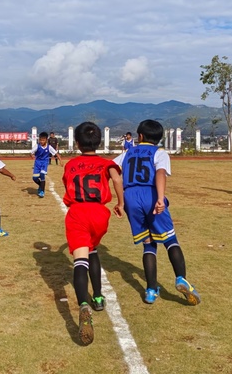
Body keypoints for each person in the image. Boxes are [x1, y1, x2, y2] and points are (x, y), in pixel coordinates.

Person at [114, 119, 200, 306]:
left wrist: (120, 201)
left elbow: (111, 170)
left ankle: (151, 291)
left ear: (140, 136)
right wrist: (160, 198)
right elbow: (160, 173)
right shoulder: (159, 153)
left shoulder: (127, 152)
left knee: (148, 244)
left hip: (131, 197)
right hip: (150, 194)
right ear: (159, 138)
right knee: (170, 239)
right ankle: (180, 278)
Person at [62, 122, 125, 346]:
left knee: (81, 259)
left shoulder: (71, 165)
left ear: (77, 143)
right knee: (94, 250)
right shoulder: (106, 164)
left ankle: (83, 305)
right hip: (99, 214)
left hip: (78, 212)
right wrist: (120, 203)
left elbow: (68, 185)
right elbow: (117, 179)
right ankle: (98, 297)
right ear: (98, 142)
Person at [31, 131, 62, 198]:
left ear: (46, 140)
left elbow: (56, 154)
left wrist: (61, 161)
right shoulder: (37, 146)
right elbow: (31, 152)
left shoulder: (49, 147)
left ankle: (42, 191)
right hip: (37, 163)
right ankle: (40, 186)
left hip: (44, 163)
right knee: (35, 178)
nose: (41, 141)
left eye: (43, 140)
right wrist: (32, 155)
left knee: (42, 175)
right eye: (40, 140)